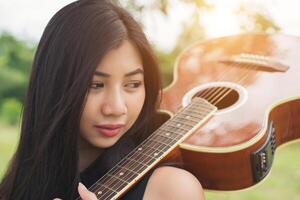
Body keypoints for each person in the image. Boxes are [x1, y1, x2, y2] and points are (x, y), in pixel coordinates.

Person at [0, 0, 205, 199]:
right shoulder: (19, 184)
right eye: (95, 85)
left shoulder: (172, 189)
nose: (116, 108)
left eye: (133, 84)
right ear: (55, 84)